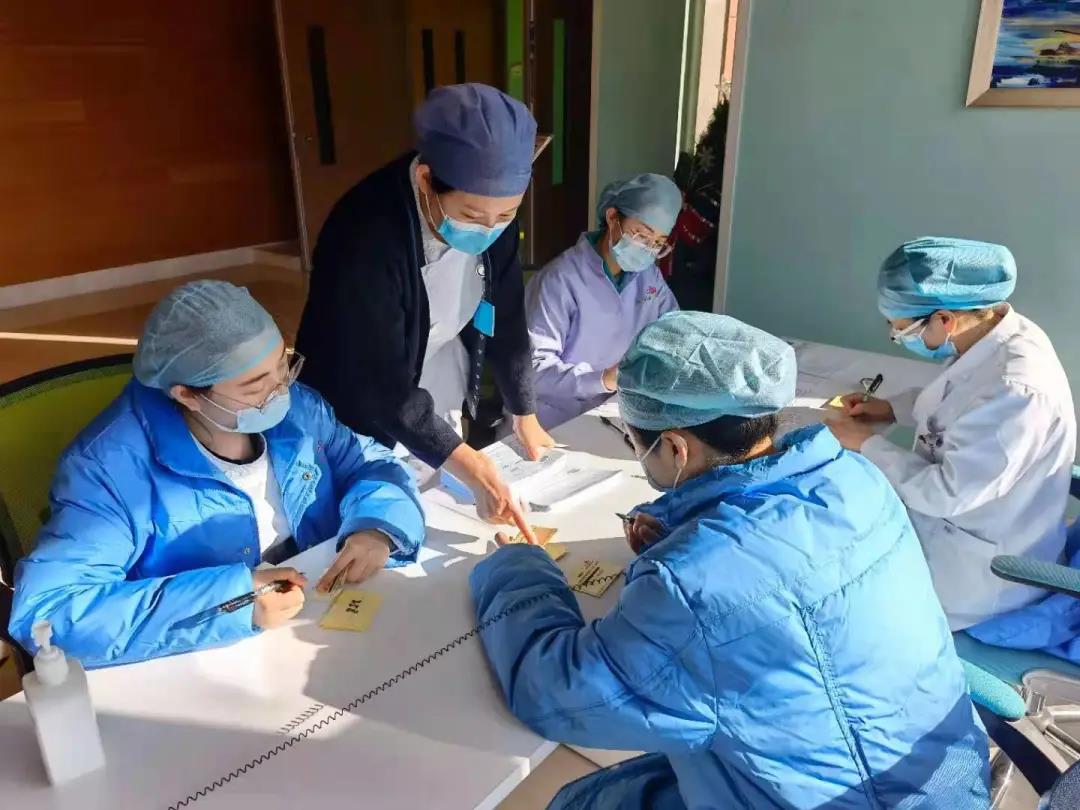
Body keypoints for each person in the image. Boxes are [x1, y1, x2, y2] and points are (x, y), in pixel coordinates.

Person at [470, 311, 989, 809]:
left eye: (633, 439)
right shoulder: (855, 476)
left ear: (676, 448)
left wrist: (519, 565)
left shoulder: (687, 586)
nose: (634, 448)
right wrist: (684, 532)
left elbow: (556, 692)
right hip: (942, 775)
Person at [8, 281, 425, 668]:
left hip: (312, 618)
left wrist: (378, 527)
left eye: (284, 367)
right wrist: (233, 603)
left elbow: (371, 462)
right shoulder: (107, 469)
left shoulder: (298, 410)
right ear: (187, 395)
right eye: (256, 386)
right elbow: (49, 613)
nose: (282, 391)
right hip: (199, 658)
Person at [296, 83, 553, 544]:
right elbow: (380, 383)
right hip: (358, 399)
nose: (489, 229)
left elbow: (507, 317)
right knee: (370, 521)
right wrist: (469, 463)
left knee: (438, 508)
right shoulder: (365, 235)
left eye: (506, 215)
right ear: (425, 180)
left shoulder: (494, 220)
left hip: (433, 369)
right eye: (472, 214)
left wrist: (524, 411)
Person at [827, 237, 1076, 631]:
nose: (897, 337)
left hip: (981, 578)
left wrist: (865, 444)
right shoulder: (996, 333)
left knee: (847, 609)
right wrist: (891, 408)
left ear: (945, 319)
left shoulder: (1017, 390)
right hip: (957, 526)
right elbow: (958, 400)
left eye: (902, 329)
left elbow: (945, 493)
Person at [525, 173, 680, 428]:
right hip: (552, 419)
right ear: (612, 217)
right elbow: (533, 370)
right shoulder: (560, 279)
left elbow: (673, 332)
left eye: (657, 243)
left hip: (613, 413)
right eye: (641, 235)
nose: (647, 249)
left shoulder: (648, 277)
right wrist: (602, 380)